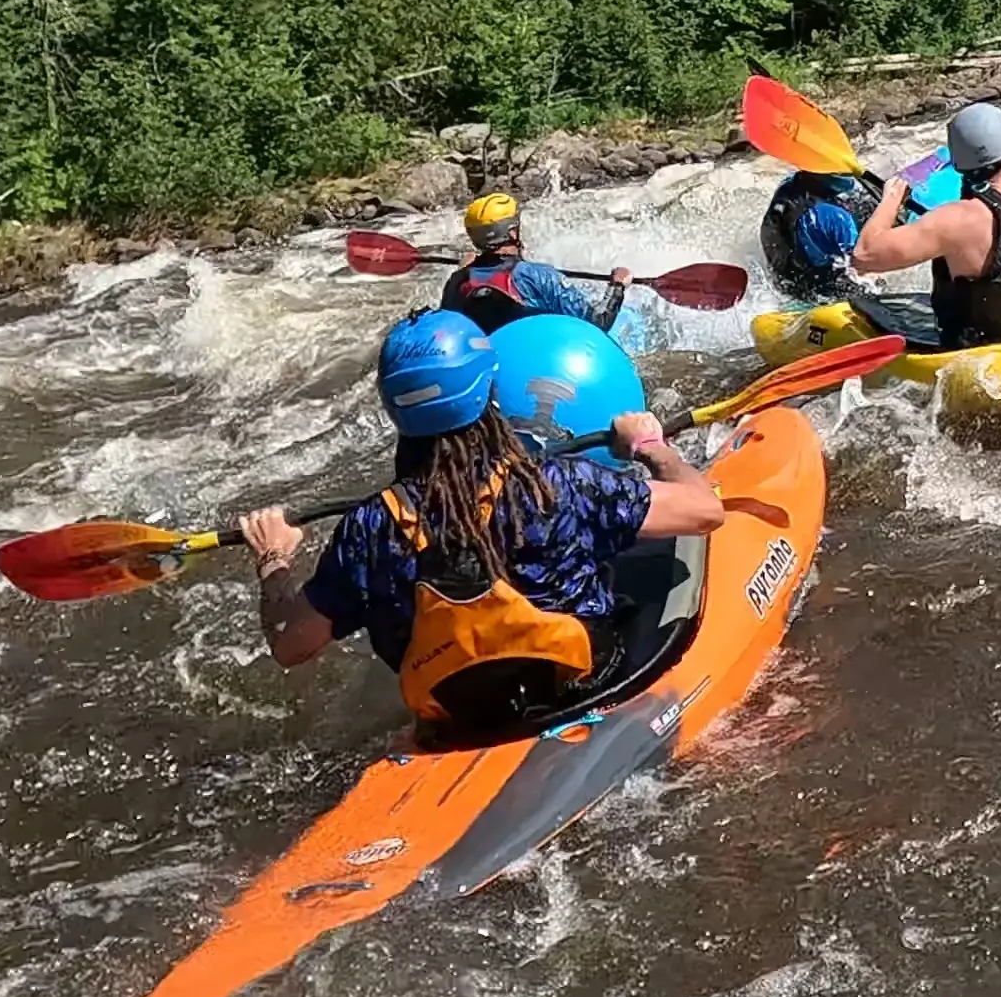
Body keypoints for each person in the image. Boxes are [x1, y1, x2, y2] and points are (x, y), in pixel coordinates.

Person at [241, 310, 724, 729]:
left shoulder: (369, 528)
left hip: (459, 718)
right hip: (582, 688)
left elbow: (290, 644)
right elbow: (704, 511)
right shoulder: (559, 483)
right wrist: (649, 445)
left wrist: (273, 558)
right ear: (490, 393)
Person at [851, 101, 1001, 350]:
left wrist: (891, 199)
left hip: (976, 357)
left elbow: (864, 256)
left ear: (959, 160)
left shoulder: (957, 220)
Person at [442, 191, 630, 337]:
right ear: (513, 233)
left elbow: (447, 326)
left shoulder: (458, 281)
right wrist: (617, 286)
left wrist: (462, 271)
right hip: (537, 365)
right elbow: (597, 323)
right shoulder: (537, 276)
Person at [760, 169, 878, 302]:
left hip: (785, 274)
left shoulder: (789, 185)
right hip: (818, 287)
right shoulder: (837, 219)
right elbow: (864, 262)